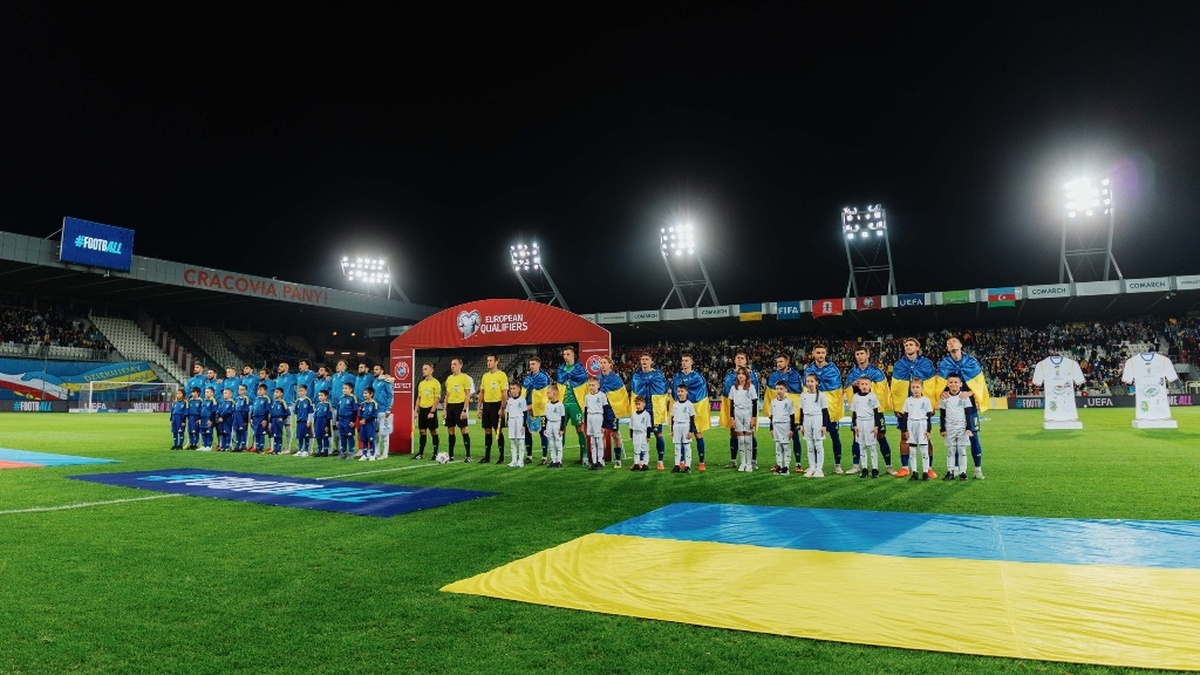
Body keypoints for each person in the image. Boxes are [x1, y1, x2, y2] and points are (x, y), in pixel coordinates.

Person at [936, 336, 989, 479]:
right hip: (953, 406)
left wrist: (970, 393)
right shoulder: (944, 363)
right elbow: (939, 383)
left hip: (969, 406)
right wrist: (942, 392)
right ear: (947, 348)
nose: (951, 343)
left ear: (960, 345)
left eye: (953, 341)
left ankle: (978, 469)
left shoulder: (971, 362)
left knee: (974, 437)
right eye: (948, 343)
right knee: (956, 439)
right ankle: (959, 469)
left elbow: (980, 383)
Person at [844, 346, 895, 475]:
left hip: (875, 411)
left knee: (881, 436)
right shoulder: (852, 373)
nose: (859, 356)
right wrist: (853, 386)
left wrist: (867, 385)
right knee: (856, 436)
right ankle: (856, 466)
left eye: (862, 353)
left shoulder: (876, 372)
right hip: (859, 412)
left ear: (868, 355)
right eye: (857, 354)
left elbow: (882, 390)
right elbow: (848, 391)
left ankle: (888, 466)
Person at [890, 337, 936, 477]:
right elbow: (895, 387)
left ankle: (929, 469)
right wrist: (897, 406)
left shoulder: (926, 364)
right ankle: (905, 467)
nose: (908, 347)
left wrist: (932, 405)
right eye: (906, 345)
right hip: (906, 406)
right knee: (904, 436)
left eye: (911, 344)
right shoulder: (899, 364)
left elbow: (932, 384)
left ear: (917, 347)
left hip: (922, 408)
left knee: (926, 438)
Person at [805, 345, 847, 473]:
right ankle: (815, 466)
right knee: (813, 439)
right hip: (814, 412)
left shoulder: (833, 369)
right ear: (813, 354)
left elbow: (838, 391)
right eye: (818, 352)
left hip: (829, 410)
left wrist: (836, 410)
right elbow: (806, 390)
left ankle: (837, 465)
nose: (820, 355)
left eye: (823, 352)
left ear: (826, 353)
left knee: (834, 436)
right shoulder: (809, 370)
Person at [670, 353, 710, 471]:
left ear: (692, 362)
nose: (684, 363)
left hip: (694, 408)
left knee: (697, 433)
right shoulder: (677, 376)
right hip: (681, 409)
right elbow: (674, 391)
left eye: (686, 361)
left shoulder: (697, 377)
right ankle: (681, 461)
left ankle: (701, 462)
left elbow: (701, 392)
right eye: (682, 361)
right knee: (681, 437)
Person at [630, 353, 669, 470]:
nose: (644, 361)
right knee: (641, 436)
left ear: (651, 362)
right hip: (641, 409)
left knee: (658, 434)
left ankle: (660, 461)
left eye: (647, 359)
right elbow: (635, 389)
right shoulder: (637, 375)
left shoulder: (657, 374)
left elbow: (662, 388)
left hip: (654, 409)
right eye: (642, 359)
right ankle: (641, 461)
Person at [766, 354, 804, 472]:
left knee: (795, 437)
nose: (778, 364)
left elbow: (801, 393)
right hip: (778, 414)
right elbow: (769, 396)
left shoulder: (795, 375)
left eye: (781, 361)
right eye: (777, 362)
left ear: (787, 362)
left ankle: (798, 464)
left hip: (793, 412)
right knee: (779, 442)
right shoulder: (773, 377)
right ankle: (779, 464)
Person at [721, 351, 759, 469]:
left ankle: (753, 460)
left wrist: (754, 413)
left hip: (748, 408)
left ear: (746, 361)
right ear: (734, 360)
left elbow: (755, 394)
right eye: (738, 358)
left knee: (750, 434)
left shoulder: (752, 374)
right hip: (733, 406)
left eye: (742, 358)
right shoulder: (729, 373)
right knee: (733, 433)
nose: (740, 360)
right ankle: (733, 460)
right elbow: (726, 389)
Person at [557, 346, 591, 463]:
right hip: (563, 404)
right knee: (561, 429)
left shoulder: (580, 369)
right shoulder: (561, 370)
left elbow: (585, 387)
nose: (565, 356)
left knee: (580, 430)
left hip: (576, 404)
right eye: (564, 354)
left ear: (573, 355)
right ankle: (559, 457)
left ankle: (585, 456)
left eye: (567, 354)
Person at [939, 374, 976, 481]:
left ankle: (962, 472)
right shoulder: (945, 398)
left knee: (962, 450)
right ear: (947, 384)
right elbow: (942, 414)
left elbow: (968, 413)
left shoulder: (964, 397)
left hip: (962, 427)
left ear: (960, 384)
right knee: (951, 450)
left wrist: (969, 428)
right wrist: (942, 428)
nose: (953, 384)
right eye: (951, 382)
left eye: (956, 382)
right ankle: (950, 471)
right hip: (949, 427)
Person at [597, 355, 629, 468]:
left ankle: (618, 459)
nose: (602, 365)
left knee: (615, 434)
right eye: (601, 363)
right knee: (601, 435)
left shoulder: (616, 379)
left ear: (610, 364)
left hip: (612, 411)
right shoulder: (598, 378)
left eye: (605, 362)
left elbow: (622, 396)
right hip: (600, 411)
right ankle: (601, 459)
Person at [849, 377, 884, 478]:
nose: (864, 386)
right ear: (859, 386)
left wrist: (876, 426)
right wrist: (854, 425)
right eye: (862, 384)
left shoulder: (873, 397)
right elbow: (854, 413)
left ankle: (875, 469)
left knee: (872, 446)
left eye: (866, 384)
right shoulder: (855, 397)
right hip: (860, 423)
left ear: (870, 385)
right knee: (862, 446)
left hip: (870, 422)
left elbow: (876, 413)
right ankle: (864, 468)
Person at [478, 354, 509, 464]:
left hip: (497, 406)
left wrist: (502, 408)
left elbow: (504, 393)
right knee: (487, 430)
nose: (488, 362)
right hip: (486, 405)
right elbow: (482, 392)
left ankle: (501, 457)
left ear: (497, 362)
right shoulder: (485, 376)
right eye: (487, 361)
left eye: (491, 360)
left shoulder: (502, 375)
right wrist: (479, 408)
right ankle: (487, 457)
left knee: (498, 431)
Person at [901, 379, 935, 481]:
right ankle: (914, 472)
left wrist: (928, 430)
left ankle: (925, 472)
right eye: (913, 387)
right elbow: (905, 416)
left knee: (924, 450)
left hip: (922, 424)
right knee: (912, 450)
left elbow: (929, 417)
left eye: (917, 387)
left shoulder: (926, 400)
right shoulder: (908, 401)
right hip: (911, 424)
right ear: (911, 388)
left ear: (922, 388)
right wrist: (905, 430)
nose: (915, 390)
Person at [444, 357, 474, 462]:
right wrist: (444, 410)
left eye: (455, 364)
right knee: (450, 430)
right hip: (450, 407)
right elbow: (447, 395)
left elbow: (467, 395)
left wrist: (464, 410)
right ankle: (451, 456)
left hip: (460, 406)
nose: (452, 366)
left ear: (460, 365)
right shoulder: (449, 379)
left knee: (464, 430)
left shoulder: (465, 378)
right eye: (451, 364)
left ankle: (468, 455)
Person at [521, 356, 551, 463]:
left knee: (543, 432)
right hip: (527, 409)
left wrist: (532, 406)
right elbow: (523, 393)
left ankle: (544, 457)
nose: (531, 366)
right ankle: (529, 456)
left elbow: (542, 397)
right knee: (527, 432)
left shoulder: (543, 377)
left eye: (533, 364)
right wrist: (524, 407)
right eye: (530, 364)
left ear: (539, 364)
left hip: (541, 410)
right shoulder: (527, 378)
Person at [798, 374, 828, 477]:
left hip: (817, 418)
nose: (809, 383)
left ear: (816, 382)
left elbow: (825, 411)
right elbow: (801, 410)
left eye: (812, 381)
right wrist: (801, 424)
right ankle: (812, 467)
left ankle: (819, 469)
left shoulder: (821, 395)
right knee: (809, 444)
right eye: (808, 381)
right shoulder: (803, 395)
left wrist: (824, 425)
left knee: (818, 444)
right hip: (807, 419)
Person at [729, 367, 757, 472]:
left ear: (746, 376)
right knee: (740, 439)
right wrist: (732, 418)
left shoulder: (751, 387)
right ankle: (743, 462)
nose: (741, 375)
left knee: (748, 439)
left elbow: (754, 403)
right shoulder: (733, 388)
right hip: (738, 413)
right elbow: (731, 405)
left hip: (748, 413)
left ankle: (749, 463)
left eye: (743, 374)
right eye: (739, 374)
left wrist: (753, 418)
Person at [414, 363, 441, 460]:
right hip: (422, 409)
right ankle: (420, 453)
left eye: (425, 369)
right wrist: (415, 411)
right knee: (422, 431)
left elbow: (437, 398)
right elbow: (419, 398)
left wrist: (432, 411)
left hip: (430, 409)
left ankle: (435, 453)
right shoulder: (421, 383)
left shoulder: (436, 383)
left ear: (431, 370)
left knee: (433, 431)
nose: (423, 370)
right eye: (423, 369)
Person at [771, 381, 798, 475]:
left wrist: (792, 429)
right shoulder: (773, 402)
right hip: (776, 426)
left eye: (781, 389)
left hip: (785, 425)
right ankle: (779, 465)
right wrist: (771, 429)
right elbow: (772, 416)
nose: (779, 391)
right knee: (778, 446)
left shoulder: (789, 402)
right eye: (777, 388)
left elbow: (792, 416)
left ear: (785, 390)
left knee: (786, 446)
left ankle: (786, 466)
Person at [670, 384, 697, 473]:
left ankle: (687, 466)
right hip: (676, 426)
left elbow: (692, 418)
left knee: (686, 446)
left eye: (682, 391)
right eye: (678, 391)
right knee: (677, 446)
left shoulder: (689, 404)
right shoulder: (675, 404)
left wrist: (691, 430)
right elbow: (672, 418)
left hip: (685, 425)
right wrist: (672, 430)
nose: (680, 393)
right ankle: (677, 465)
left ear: (686, 392)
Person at [583, 377, 607, 470]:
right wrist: (585, 423)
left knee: (599, 440)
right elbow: (585, 410)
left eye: (593, 385)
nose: (591, 387)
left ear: (598, 386)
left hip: (598, 417)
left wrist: (604, 424)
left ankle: (600, 461)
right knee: (592, 441)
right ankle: (593, 461)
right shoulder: (587, 396)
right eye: (590, 385)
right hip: (590, 417)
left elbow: (605, 409)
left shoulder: (602, 395)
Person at [371, 365, 394, 459]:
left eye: (377, 369)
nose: (374, 371)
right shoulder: (374, 381)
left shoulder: (386, 381)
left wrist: (388, 408)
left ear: (382, 371)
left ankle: (385, 453)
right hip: (375, 410)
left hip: (383, 410)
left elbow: (391, 395)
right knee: (375, 432)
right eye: (374, 369)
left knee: (384, 432)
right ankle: (377, 451)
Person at [504, 381, 528, 468]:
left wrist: (524, 425)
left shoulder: (522, 400)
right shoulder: (509, 400)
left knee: (521, 441)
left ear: (518, 389)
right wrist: (507, 424)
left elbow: (525, 413)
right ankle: (514, 460)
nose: (512, 391)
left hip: (519, 420)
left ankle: (520, 460)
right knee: (512, 441)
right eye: (511, 389)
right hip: (511, 421)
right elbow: (507, 412)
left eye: (514, 388)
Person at [276, 362, 297, 453]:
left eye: (281, 366)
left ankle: (288, 447)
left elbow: (302, 381)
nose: (279, 367)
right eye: (279, 366)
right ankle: (279, 446)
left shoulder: (292, 377)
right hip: (277, 405)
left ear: (287, 368)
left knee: (287, 425)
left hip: (287, 404)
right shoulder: (278, 378)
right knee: (278, 426)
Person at [543, 383, 566, 468]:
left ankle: (559, 461)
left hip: (557, 423)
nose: (547, 394)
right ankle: (553, 460)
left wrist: (561, 429)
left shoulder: (560, 405)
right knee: (551, 443)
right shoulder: (548, 405)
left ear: (555, 393)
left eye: (549, 393)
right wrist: (545, 427)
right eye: (547, 393)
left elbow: (563, 417)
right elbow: (545, 417)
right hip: (549, 424)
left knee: (558, 443)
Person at [628, 395, 653, 471]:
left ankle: (645, 464)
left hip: (643, 434)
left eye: (639, 404)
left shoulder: (646, 415)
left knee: (645, 450)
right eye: (636, 404)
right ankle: (636, 464)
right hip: (636, 434)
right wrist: (631, 436)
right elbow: (631, 427)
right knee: (636, 450)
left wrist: (648, 436)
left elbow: (648, 426)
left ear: (644, 404)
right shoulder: (633, 415)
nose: (638, 406)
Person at [335, 381, 358, 459]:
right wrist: (337, 420)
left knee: (349, 436)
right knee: (342, 436)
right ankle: (343, 452)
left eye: (346, 388)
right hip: (341, 420)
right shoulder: (341, 398)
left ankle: (351, 452)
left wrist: (353, 421)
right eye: (343, 388)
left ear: (351, 389)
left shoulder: (353, 398)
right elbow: (338, 409)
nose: (344, 390)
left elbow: (355, 410)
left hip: (348, 420)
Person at [358, 387, 379, 461]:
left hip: (370, 424)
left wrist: (366, 421)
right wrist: (361, 420)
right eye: (364, 393)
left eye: (366, 393)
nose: (364, 395)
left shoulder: (374, 403)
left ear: (371, 394)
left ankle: (372, 454)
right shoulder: (363, 404)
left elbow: (374, 415)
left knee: (371, 439)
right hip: (363, 425)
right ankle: (364, 454)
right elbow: (360, 414)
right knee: (364, 439)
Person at [294, 384, 314, 457]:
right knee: (299, 436)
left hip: (306, 422)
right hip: (299, 421)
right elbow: (295, 411)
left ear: (306, 391)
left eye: (302, 391)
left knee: (306, 436)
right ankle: (299, 450)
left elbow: (310, 412)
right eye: (299, 391)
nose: (300, 392)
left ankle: (306, 451)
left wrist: (309, 421)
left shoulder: (308, 400)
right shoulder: (297, 401)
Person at [269, 387, 290, 455]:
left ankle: (279, 449)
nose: (275, 393)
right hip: (273, 420)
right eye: (275, 392)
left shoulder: (282, 402)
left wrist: (282, 418)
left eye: (277, 392)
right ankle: (275, 449)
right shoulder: (273, 402)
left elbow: (287, 412)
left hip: (279, 420)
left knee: (279, 435)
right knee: (274, 434)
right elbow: (271, 413)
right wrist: (270, 422)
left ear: (281, 394)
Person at [250, 384, 271, 453]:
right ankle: (257, 447)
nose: (259, 391)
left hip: (262, 418)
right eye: (258, 390)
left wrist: (265, 419)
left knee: (261, 433)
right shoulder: (256, 399)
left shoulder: (267, 399)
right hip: (255, 418)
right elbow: (253, 409)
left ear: (265, 391)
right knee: (256, 433)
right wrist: (251, 418)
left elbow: (267, 410)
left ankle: (261, 448)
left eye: (261, 390)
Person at [313, 389, 333, 457]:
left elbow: (329, 416)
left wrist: (327, 425)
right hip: (318, 423)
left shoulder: (328, 404)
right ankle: (319, 450)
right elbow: (315, 415)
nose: (320, 397)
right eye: (319, 395)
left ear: (326, 396)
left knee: (325, 437)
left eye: (321, 395)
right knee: (318, 437)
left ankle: (326, 451)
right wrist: (315, 424)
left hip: (324, 423)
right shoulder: (318, 405)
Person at [233, 383, 250, 452]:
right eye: (239, 389)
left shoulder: (246, 399)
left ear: (245, 391)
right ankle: (237, 446)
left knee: (242, 431)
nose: (240, 391)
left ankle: (243, 446)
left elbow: (247, 410)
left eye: (242, 390)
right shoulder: (236, 399)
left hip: (242, 417)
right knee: (237, 431)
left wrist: (245, 420)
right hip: (236, 416)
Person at [200, 387, 218, 451]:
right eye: (205, 392)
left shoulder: (213, 401)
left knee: (208, 432)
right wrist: (200, 418)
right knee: (203, 432)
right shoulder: (204, 400)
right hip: (203, 418)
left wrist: (210, 420)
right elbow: (201, 410)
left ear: (212, 393)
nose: (206, 393)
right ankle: (204, 445)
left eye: (207, 392)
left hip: (208, 418)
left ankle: (209, 446)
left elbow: (214, 411)